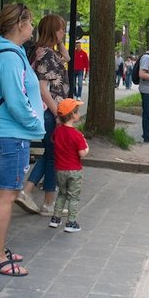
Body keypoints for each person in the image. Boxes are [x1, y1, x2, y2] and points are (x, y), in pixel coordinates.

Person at [0, 3, 45, 276]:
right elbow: (17, 100)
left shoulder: (11, 53)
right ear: (20, 23)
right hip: (11, 134)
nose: (33, 28)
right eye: (30, 23)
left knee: (2, 193)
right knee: (7, 194)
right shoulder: (8, 57)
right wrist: (35, 124)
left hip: (8, 133)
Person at [18, 14, 70, 215]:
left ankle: (28, 191)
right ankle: (47, 203)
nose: (63, 33)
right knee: (53, 156)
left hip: (51, 111)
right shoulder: (46, 54)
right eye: (60, 29)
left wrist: (61, 42)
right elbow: (42, 87)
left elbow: (67, 58)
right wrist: (58, 112)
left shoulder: (44, 51)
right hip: (51, 111)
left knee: (50, 153)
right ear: (51, 31)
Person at [47, 98, 89, 233]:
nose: (79, 114)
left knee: (61, 194)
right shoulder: (77, 135)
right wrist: (86, 146)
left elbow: (53, 141)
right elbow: (82, 153)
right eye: (77, 112)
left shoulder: (58, 131)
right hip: (74, 171)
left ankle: (55, 219)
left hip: (60, 170)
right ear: (72, 115)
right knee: (73, 197)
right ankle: (71, 222)